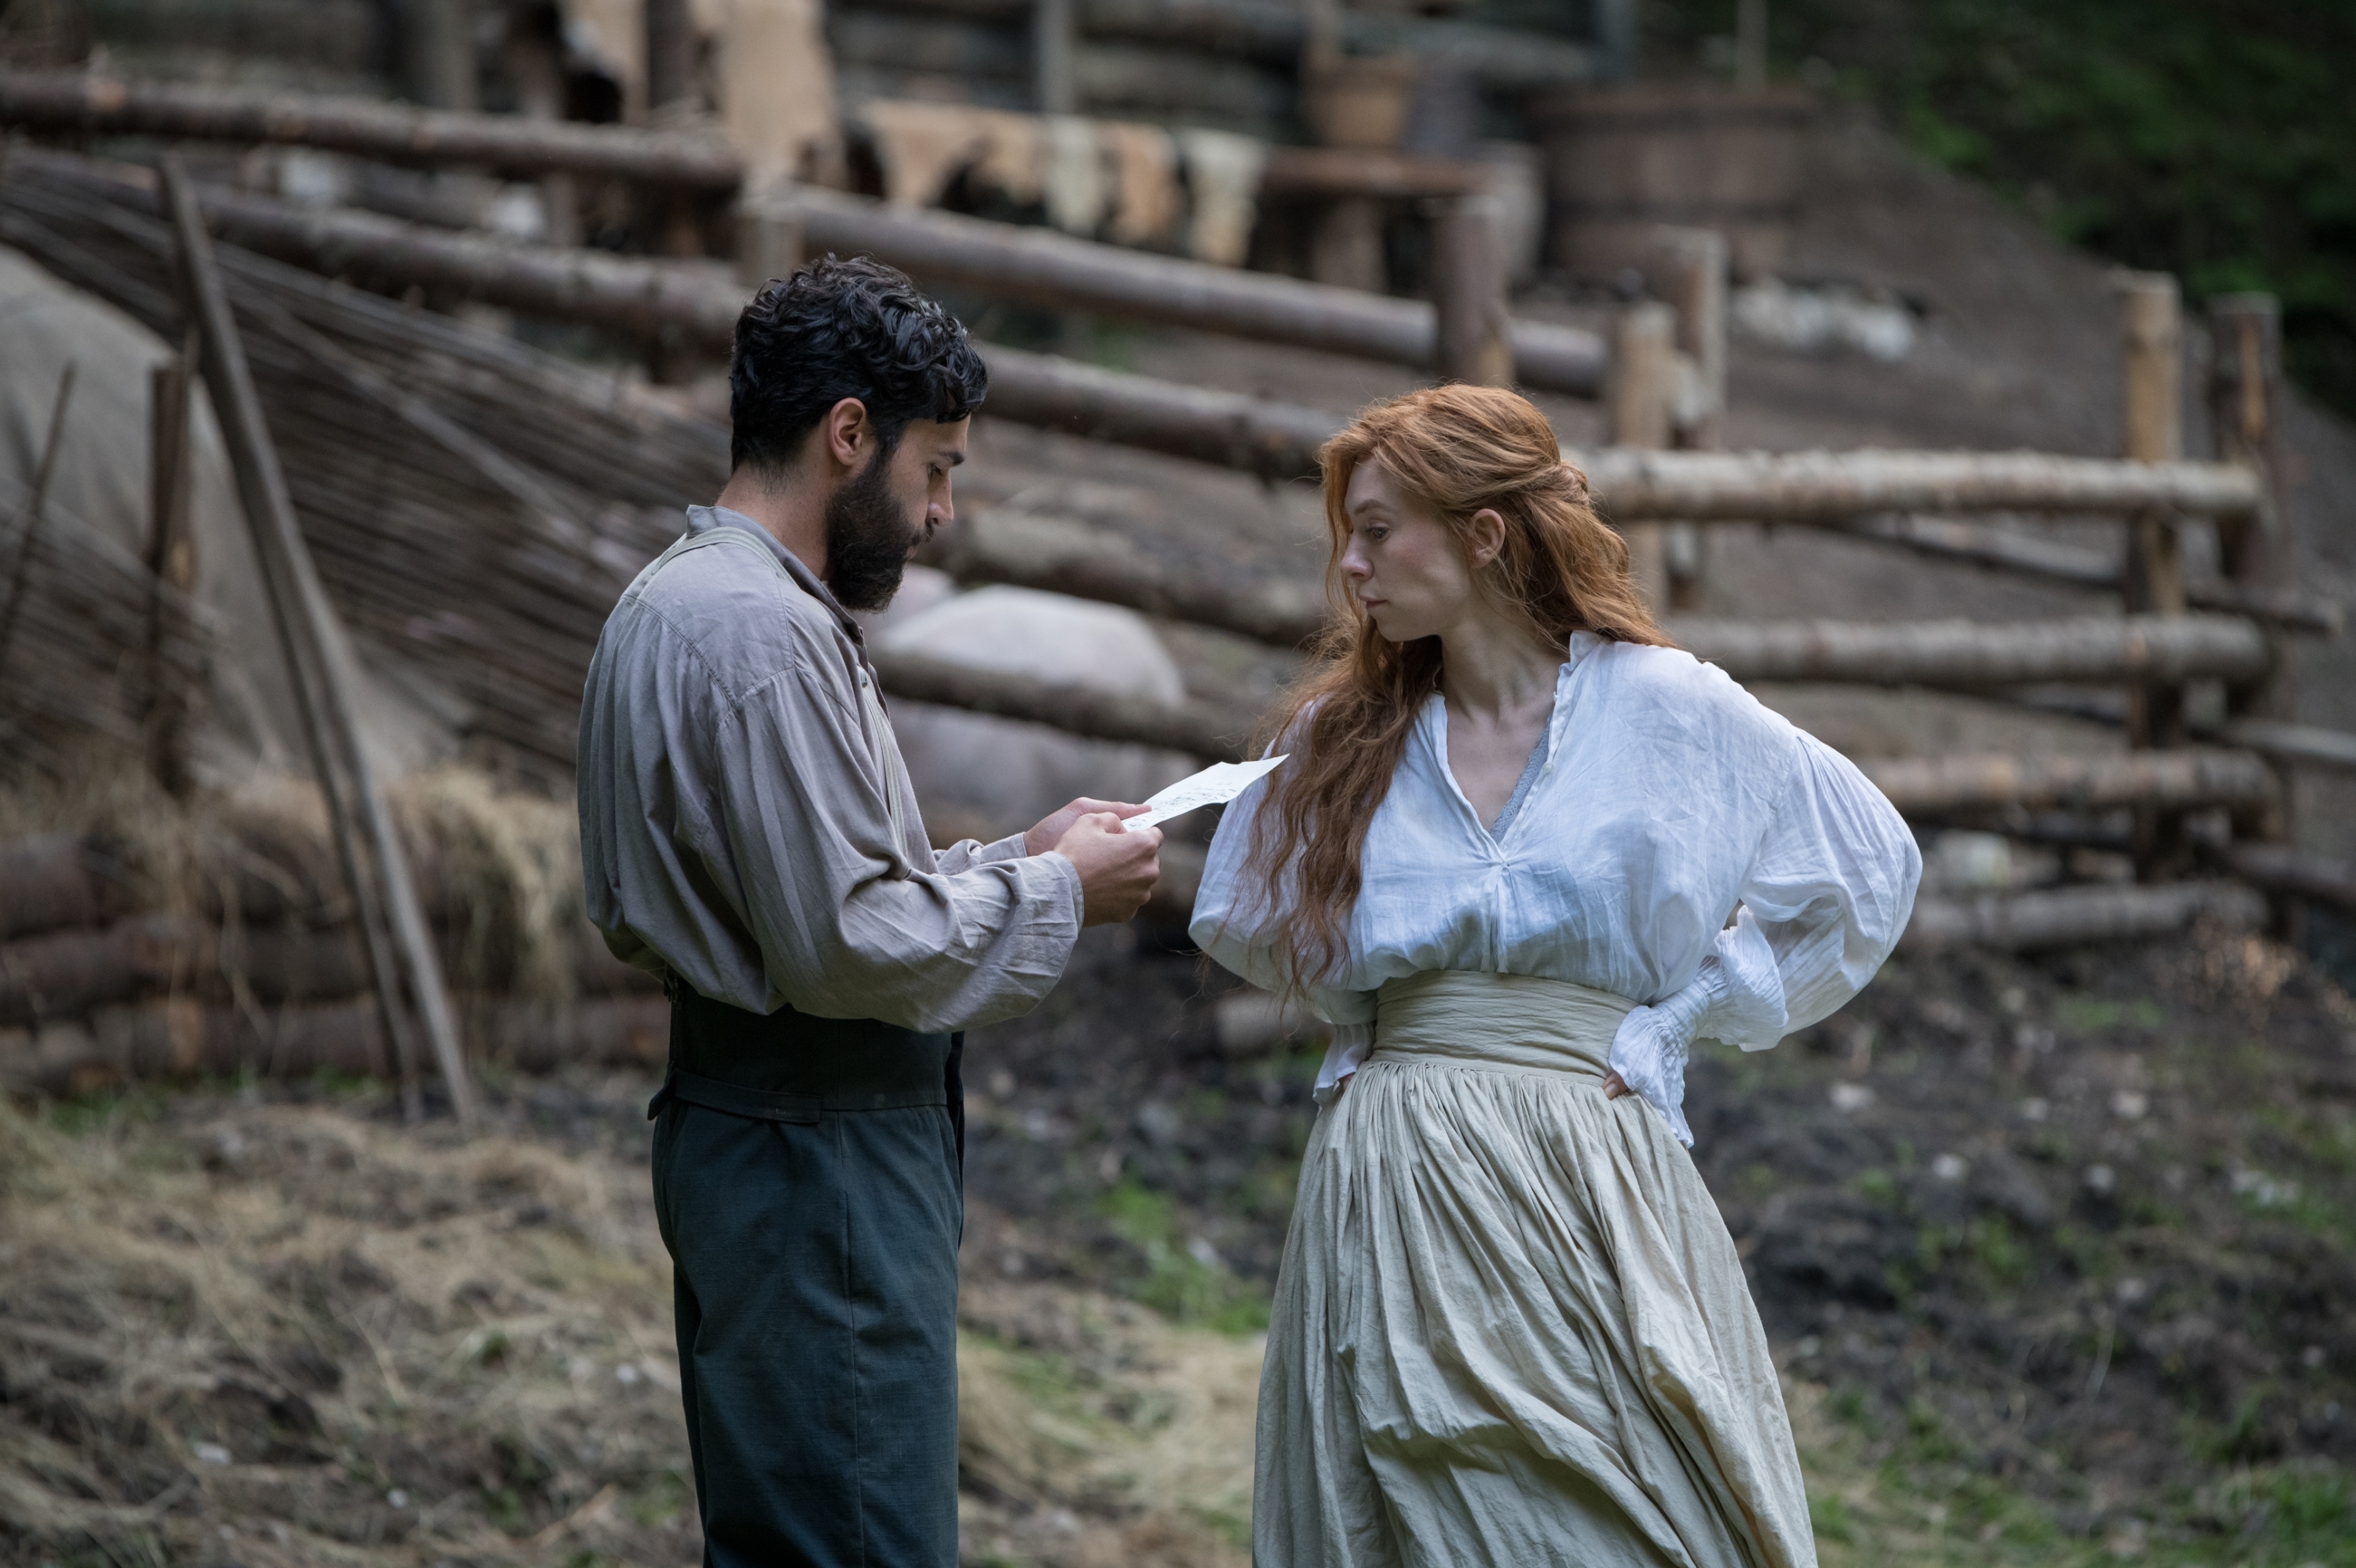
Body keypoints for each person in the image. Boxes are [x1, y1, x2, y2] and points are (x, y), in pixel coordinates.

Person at [1191, 385, 1920, 1568]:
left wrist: (1686, 1017)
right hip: (1396, 1186)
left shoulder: (1665, 711)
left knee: (1625, 1514)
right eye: (1347, 536)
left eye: (1379, 531)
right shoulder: (1344, 739)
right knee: (1412, 1509)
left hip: (1592, 1177)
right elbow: (1257, 917)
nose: (1352, 567)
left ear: (1484, 535)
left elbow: (1864, 866)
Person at [576, 255, 1163, 1568]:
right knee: (855, 1538)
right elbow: (847, 941)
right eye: (936, 467)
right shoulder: (759, 639)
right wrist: (1063, 892)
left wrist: (1022, 852)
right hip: (817, 1157)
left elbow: (817, 890)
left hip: (763, 1132)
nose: (945, 511)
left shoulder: (681, 599)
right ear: (850, 434)